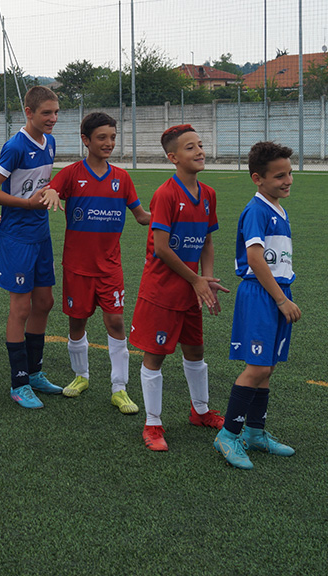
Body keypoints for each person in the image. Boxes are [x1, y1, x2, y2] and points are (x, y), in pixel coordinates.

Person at [41, 112, 150, 413]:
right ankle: (81, 376)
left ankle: (119, 387)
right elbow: (52, 188)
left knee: (115, 322)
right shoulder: (72, 173)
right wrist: (52, 192)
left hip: (110, 267)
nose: (109, 143)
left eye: (112, 137)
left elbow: (141, 216)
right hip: (77, 267)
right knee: (77, 322)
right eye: (102, 137)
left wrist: (166, 219)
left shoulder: (122, 178)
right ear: (85, 140)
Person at [129, 124, 229, 451]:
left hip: (190, 290)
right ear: (173, 158)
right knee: (155, 355)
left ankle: (200, 411)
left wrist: (206, 280)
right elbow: (161, 248)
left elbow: (207, 242)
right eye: (190, 147)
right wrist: (195, 279)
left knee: (195, 351)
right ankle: (152, 424)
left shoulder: (208, 194)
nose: (199, 151)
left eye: (200, 144)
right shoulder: (166, 194)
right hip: (161, 291)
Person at [213, 141, 300, 469]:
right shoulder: (257, 210)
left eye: (289, 173)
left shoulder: (278, 209)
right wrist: (280, 298)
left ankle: (255, 432)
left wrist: (283, 294)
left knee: (268, 367)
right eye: (279, 176)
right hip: (261, 294)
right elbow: (254, 258)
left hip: (277, 291)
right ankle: (228, 435)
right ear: (257, 178)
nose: (288, 180)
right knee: (258, 368)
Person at [0, 85, 64, 409]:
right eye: (46, 113)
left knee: (44, 302)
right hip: (17, 236)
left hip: (41, 234)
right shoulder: (15, 146)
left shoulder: (50, 142)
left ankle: (34, 372)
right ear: (29, 112)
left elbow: (43, 184)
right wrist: (27, 204)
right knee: (21, 308)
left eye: (55, 112)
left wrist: (51, 193)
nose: (52, 118)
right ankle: (19, 383)